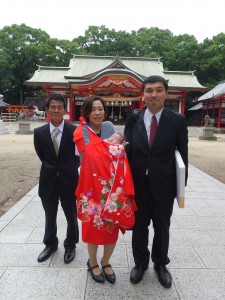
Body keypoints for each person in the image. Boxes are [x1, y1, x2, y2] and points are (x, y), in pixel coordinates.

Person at [124, 75, 188, 288]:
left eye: (158, 90)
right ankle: (140, 263)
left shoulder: (177, 121)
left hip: (164, 185)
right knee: (139, 227)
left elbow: (183, 155)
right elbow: (128, 150)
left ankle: (160, 264)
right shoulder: (133, 118)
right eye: (149, 90)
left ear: (166, 93)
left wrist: (181, 189)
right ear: (142, 95)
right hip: (138, 185)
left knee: (162, 227)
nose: (153, 94)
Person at [73, 95, 136, 284]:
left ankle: (106, 261)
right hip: (91, 190)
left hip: (112, 188)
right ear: (86, 112)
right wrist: (113, 146)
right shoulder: (81, 131)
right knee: (92, 227)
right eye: (93, 109)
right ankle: (92, 262)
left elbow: (119, 149)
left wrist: (121, 142)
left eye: (100, 108)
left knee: (111, 227)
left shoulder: (109, 127)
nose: (97, 112)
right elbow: (90, 152)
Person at [34, 93, 79, 264]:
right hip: (48, 180)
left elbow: (78, 156)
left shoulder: (74, 131)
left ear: (64, 109)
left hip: (69, 180)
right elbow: (42, 155)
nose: (56, 110)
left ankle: (70, 245)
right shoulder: (39, 133)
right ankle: (50, 244)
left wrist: (67, 169)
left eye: (60, 107)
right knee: (50, 215)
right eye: (52, 107)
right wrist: (53, 169)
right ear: (47, 109)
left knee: (71, 214)